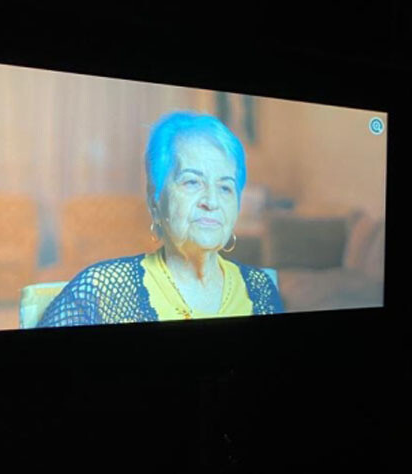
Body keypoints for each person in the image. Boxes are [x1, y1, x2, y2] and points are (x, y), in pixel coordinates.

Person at [38, 112, 283, 327]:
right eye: (192, 182)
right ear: (155, 201)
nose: (211, 201)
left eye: (225, 187)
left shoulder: (260, 288)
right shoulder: (102, 287)